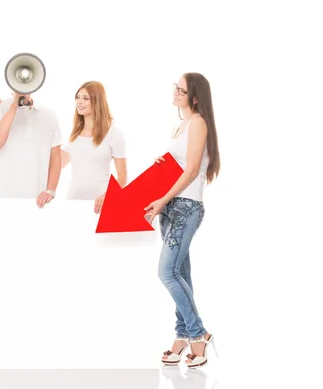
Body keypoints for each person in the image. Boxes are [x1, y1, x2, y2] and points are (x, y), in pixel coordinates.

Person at [144, 73, 221, 369]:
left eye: (181, 90)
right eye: (175, 88)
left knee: (166, 272)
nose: (175, 92)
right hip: (173, 205)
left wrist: (162, 200)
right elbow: (180, 166)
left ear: (195, 97)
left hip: (186, 206)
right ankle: (182, 334)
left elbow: (190, 172)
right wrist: (162, 166)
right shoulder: (181, 125)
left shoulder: (199, 121)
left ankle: (198, 332)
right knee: (180, 274)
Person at [0, 92, 62, 207]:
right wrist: (14, 105)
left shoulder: (49, 115)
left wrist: (50, 191)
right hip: (2, 201)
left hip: (38, 202)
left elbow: (55, 156)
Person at [60, 81, 127, 214]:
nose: (79, 102)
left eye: (86, 98)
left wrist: (107, 196)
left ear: (97, 101)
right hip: (73, 200)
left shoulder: (113, 134)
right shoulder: (74, 136)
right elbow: (57, 164)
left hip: (100, 203)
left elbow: (123, 176)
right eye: (78, 97)